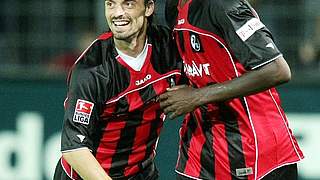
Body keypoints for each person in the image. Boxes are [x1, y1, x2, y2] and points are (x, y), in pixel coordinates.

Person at [161, 0, 304, 179]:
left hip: (255, 152)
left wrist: (197, 96)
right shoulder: (173, 7)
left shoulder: (223, 4)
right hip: (201, 151)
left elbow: (276, 70)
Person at [53, 0, 182, 179]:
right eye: (110, 4)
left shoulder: (168, 47)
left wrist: (196, 96)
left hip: (141, 173)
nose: (117, 13)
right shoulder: (91, 70)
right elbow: (75, 149)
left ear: (149, 8)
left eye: (128, 4)